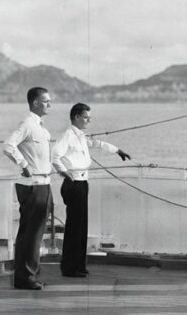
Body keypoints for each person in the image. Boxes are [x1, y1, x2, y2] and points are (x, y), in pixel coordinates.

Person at [51, 103, 131, 278]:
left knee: (81, 226)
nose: (89, 120)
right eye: (86, 117)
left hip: (82, 183)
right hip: (73, 184)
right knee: (74, 227)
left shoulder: (80, 136)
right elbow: (55, 156)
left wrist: (118, 151)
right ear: (77, 117)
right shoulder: (68, 136)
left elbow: (97, 143)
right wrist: (64, 173)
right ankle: (69, 268)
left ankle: (79, 265)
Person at [3, 87, 54, 290]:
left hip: (43, 183)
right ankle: (26, 278)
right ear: (35, 103)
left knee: (33, 233)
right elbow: (8, 145)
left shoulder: (40, 127)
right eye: (46, 101)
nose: (49, 104)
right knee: (31, 234)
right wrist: (24, 166)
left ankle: (26, 275)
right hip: (33, 185)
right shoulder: (28, 124)